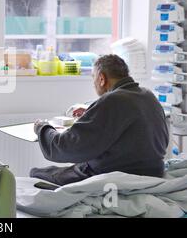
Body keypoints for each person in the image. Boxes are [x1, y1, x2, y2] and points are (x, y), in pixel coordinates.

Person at [31, 54, 169, 186]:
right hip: (153, 172)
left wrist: (42, 128)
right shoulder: (147, 95)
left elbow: (67, 147)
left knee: (37, 173)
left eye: (93, 78)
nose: (94, 84)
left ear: (102, 79)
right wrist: (92, 114)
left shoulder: (112, 100)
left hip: (118, 175)